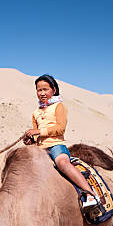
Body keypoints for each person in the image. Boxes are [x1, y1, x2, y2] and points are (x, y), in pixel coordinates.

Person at [24, 74, 99, 209]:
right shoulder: (36, 112)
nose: (42, 93)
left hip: (56, 146)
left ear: (54, 90)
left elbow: (60, 128)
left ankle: (90, 194)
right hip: (40, 149)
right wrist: (31, 139)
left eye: (45, 89)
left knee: (62, 163)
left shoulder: (59, 106)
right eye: (39, 90)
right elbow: (36, 134)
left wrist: (39, 132)